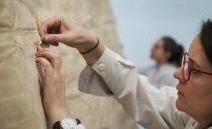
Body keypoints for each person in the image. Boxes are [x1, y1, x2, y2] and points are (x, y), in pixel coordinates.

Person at [36, 16, 212, 129]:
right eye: (185, 61)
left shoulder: (167, 75)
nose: (178, 74)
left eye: (194, 69)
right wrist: (91, 45)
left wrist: (60, 113)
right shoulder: (195, 114)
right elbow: (140, 93)